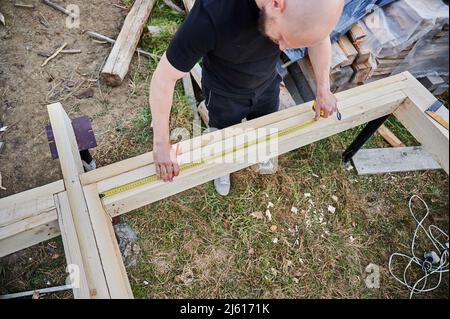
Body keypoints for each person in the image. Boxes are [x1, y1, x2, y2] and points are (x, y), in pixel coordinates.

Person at [149, 0, 344, 195]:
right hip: (223, 93)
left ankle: (259, 150)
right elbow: (164, 78)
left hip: (267, 82)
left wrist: (323, 88)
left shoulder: (300, 9)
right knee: (223, 133)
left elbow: (319, 39)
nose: (283, 48)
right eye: (282, 38)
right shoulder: (212, 15)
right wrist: (161, 144)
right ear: (276, 4)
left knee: (264, 122)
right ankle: (223, 166)